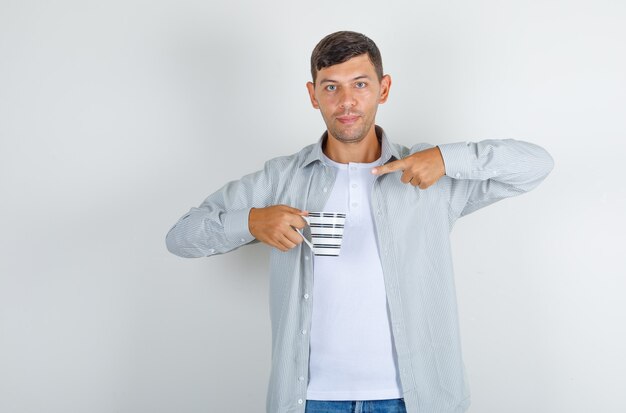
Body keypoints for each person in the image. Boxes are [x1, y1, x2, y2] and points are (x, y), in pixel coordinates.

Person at [166, 31, 553, 413]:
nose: (346, 101)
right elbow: (181, 237)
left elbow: (535, 165)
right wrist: (250, 221)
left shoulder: (429, 175)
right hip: (309, 400)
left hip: (418, 399)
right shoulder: (282, 178)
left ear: (383, 89)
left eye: (360, 84)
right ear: (312, 94)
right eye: (330, 87)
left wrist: (446, 158)